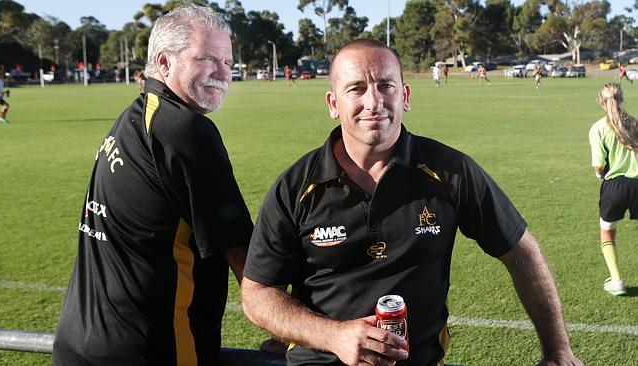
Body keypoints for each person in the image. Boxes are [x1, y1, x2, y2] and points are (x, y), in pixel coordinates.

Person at [241, 39, 582, 366]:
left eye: (386, 85)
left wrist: (559, 351)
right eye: (356, 88)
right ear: (333, 104)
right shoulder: (296, 185)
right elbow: (257, 294)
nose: (374, 102)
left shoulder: (451, 172)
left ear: (404, 96)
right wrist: (335, 336)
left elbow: (521, 252)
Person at [52, 5, 253, 365]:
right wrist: (292, 335)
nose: (223, 74)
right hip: (151, 349)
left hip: (78, 344)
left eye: (228, 61)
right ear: (164, 61)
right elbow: (242, 254)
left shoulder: (133, 119)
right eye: (207, 59)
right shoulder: (184, 131)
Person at [588, 83, 638, 296]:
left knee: (607, 231)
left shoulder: (598, 128)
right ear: (622, 98)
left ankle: (616, 281)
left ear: (601, 102)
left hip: (614, 186)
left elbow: (598, 165)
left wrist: (600, 175)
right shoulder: (635, 123)